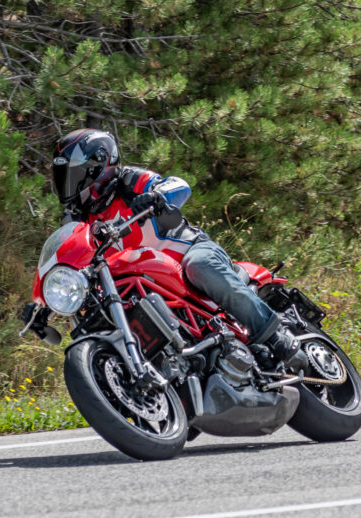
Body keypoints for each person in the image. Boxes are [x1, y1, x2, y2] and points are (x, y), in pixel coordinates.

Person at [50, 128, 306, 370]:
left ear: (98, 167)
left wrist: (157, 196)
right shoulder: (78, 221)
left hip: (188, 253)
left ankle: (275, 336)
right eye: (64, 177)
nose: (69, 184)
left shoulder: (129, 182)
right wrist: (43, 302)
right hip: (146, 283)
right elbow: (68, 259)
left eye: (74, 175)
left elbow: (178, 185)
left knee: (200, 267)